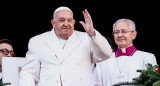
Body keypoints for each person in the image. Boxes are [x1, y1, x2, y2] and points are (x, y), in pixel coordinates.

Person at [19, 6, 112, 86]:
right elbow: (29, 73)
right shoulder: (37, 41)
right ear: (53, 23)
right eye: (62, 20)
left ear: (74, 22)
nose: (66, 24)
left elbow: (106, 54)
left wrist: (92, 32)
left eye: (69, 20)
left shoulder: (86, 38)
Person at [93, 18, 157, 86]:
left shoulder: (147, 58)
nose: (120, 35)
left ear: (134, 34)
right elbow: (95, 84)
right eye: (116, 32)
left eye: (124, 31)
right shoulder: (104, 60)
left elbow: (151, 83)